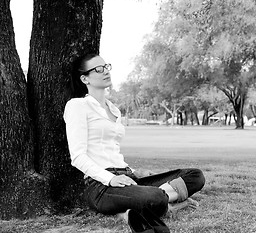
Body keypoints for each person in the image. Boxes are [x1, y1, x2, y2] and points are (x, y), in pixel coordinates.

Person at [63, 54, 205, 232]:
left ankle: (140, 207)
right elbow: (77, 157)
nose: (105, 71)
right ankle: (166, 203)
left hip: (129, 178)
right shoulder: (77, 106)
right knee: (155, 196)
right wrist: (111, 179)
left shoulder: (114, 109)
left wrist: (135, 171)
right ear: (85, 78)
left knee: (195, 175)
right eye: (98, 69)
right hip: (101, 186)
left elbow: (112, 150)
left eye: (106, 66)